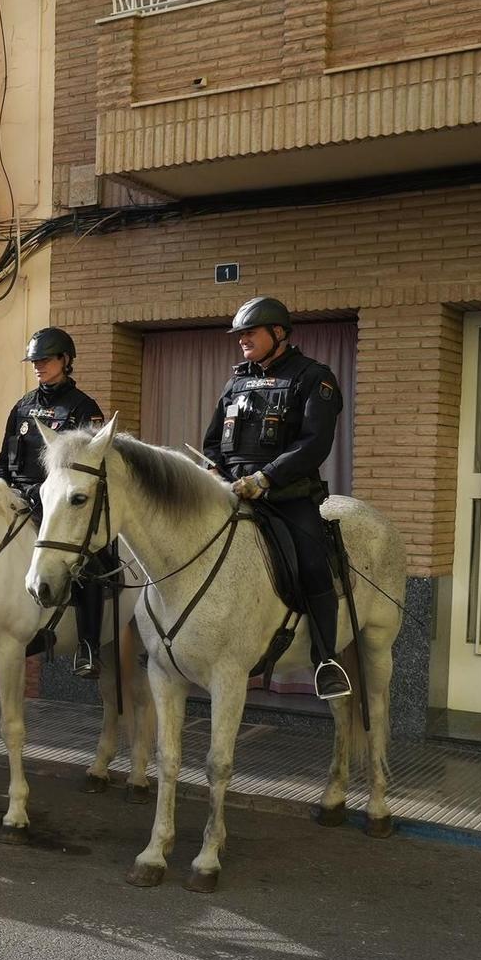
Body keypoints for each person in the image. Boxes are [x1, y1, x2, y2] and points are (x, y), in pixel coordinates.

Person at [203, 295, 351, 701]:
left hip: (286, 496)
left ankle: (325, 660)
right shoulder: (236, 380)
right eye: (239, 335)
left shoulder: (313, 377)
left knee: (313, 563)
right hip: (231, 492)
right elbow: (213, 440)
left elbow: (314, 443)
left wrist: (265, 478)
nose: (242, 340)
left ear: (279, 333)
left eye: (250, 332)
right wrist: (215, 469)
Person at [0, 326, 106, 678]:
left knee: (89, 564)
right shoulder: (22, 406)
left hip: (56, 503)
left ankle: (88, 646)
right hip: (15, 498)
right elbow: (2, 459)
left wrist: (40, 493)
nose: (38, 366)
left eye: (45, 360)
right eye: (34, 361)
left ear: (65, 361)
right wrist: (0, 485)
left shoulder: (84, 408)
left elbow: (88, 469)